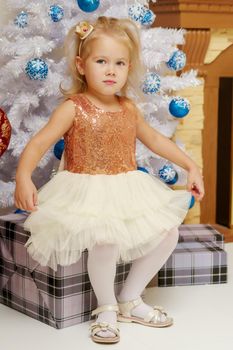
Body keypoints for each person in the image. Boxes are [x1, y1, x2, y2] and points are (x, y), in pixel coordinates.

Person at [14, 16, 204, 344]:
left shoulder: (129, 108)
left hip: (125, 185)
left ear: (129, 68)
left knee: (168, 232)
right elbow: (39, 143)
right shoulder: (74, 107)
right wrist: (22, 177)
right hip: (85, 187)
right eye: (101, 61)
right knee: (106, 238)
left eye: (119, 63)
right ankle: (105, 307)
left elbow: (157, 140)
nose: (111, 70)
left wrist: (191, 166)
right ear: (81, 65)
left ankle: (130, 298)